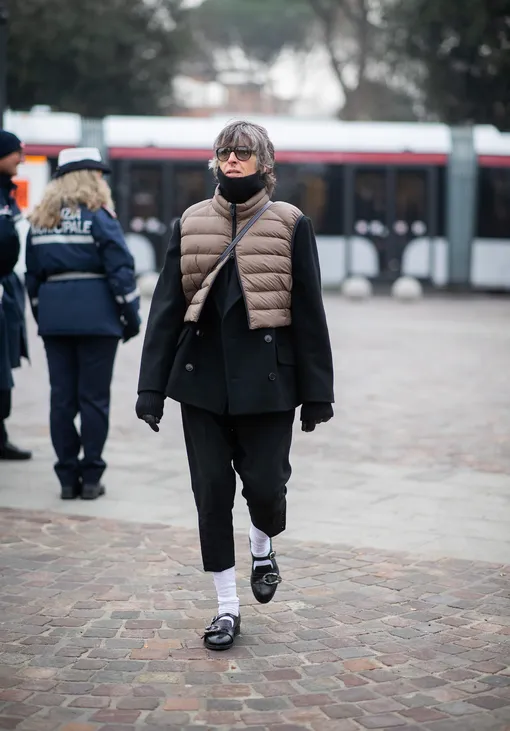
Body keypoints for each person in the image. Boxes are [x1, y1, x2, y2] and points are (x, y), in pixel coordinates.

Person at [136, 121, 334, 651]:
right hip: (201, 382)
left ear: (264, 162)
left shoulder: (291, 222)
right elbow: (166, 308)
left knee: (266, 488)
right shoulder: (190, 221)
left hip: (268, 384)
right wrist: (150, 386)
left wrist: (318, 392)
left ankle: (262, 545)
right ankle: (226, 608)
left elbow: (309, 312)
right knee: (210, 495)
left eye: (243, 152)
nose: (232, 159)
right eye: (225, 150)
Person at [25, 148, 140, 500]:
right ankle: (91, 478)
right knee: (94, 400)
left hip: (55, 320)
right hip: (98, 319)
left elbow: (32, 277)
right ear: (90, 178)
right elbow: (120, 268)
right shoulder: (98, 216)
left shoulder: (41, 220)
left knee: (61, 399)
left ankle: (65, 477)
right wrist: (131, 315)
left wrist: (43, 315)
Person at [0, 130, 31, 461]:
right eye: (16, 153)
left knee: (3, 365)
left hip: (6, 287)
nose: (21, 159)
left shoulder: (6, 192)